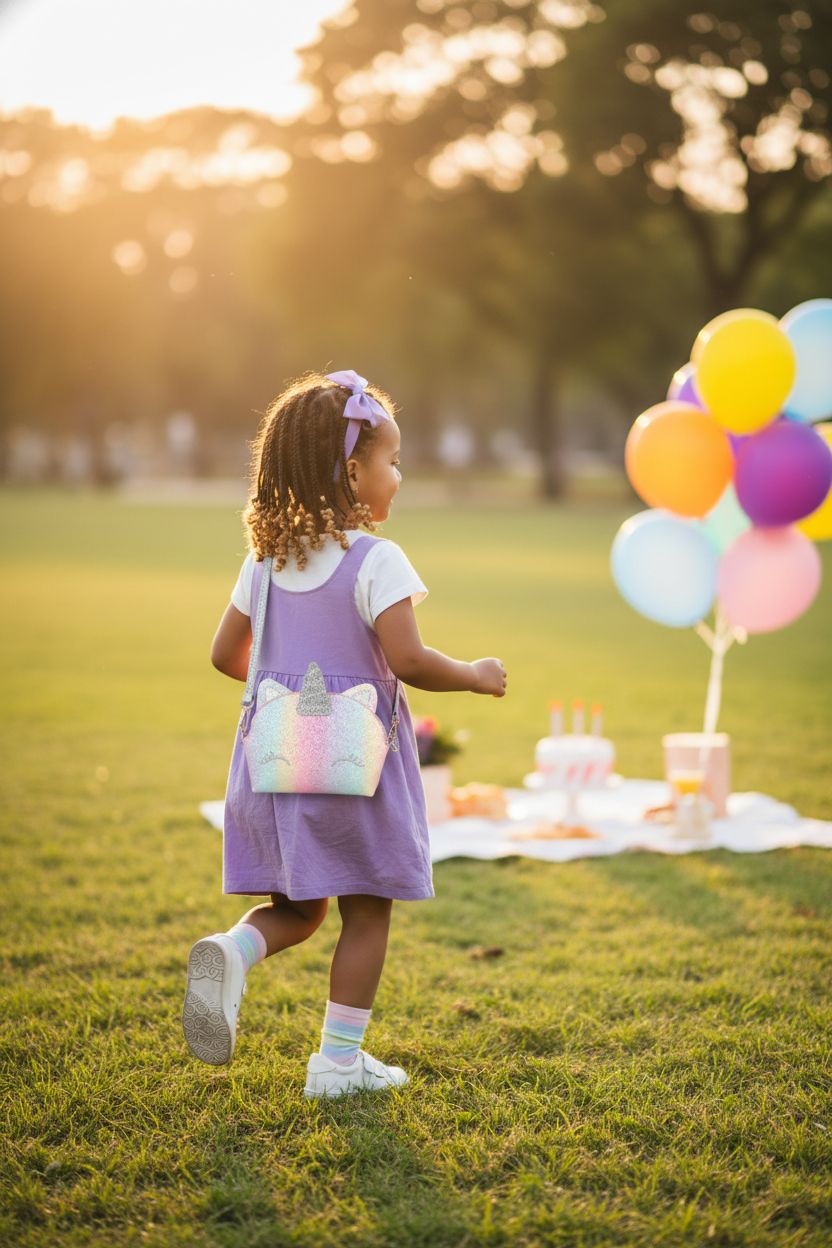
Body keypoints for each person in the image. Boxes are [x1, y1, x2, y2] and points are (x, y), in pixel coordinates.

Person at [182, 369, 507, 1099]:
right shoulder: (375, 560)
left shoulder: (264, 562)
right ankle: (336, 1065)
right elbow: (410, 660)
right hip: (356, 769)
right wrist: (476, 672)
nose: (399, 476)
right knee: (367, 911)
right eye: (393, 461)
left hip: (277, 766)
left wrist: (291, 695)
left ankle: (234, 951)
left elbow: (223, 655)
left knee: (299, 910)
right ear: (354, 472)